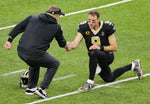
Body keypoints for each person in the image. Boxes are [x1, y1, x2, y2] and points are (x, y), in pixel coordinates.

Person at [66, 10, 142, 92]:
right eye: (89, 20)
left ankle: (90, 82)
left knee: (93, 51)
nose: (90, 23)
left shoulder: (106, 27)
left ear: (98, 20)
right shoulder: (84, 27)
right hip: (96, 58)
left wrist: (100, 47)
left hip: (107, 56)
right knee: (109, 78)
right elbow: (75, 43)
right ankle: (133, 65)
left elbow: (114, 47)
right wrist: (67, 45)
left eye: (93, 21)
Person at [4, 5, 69, 99]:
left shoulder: (33, 17)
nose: (59, 18)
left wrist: (9, 40)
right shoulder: (56, 27)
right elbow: (62, 43)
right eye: (59, 15)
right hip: (34, 54)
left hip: (21, 51)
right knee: (54, 63)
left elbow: (19, 27)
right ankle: (42, 89)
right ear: (56, 16)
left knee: (35, 62)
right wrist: (68, 46)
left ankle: (31, 88)